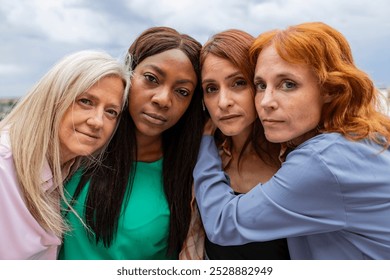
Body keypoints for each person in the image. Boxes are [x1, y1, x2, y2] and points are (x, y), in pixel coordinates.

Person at [193, 22, 390, 259]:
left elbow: (223, 223)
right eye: (261, 85)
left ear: (330, 90)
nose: (266, 101)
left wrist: (203, 142)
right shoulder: (359, 139)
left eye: (288, 84)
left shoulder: (323, 160)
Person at [59, 27, 205, 260]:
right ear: (128, 74)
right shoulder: (80, 144)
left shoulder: (191, 178)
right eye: (151, 79)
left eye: (182, 91)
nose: (163, 99)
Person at [0, 50, 131, 260]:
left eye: (111, 112)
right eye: (86, 101)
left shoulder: (68, 170)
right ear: (53, 97)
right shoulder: (4, 168)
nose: (97, 121)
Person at [191, 29, 289, 259]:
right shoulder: (200, 157)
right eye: (211, 89)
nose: (223, 102)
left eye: (238, 83)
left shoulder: (294, 159)